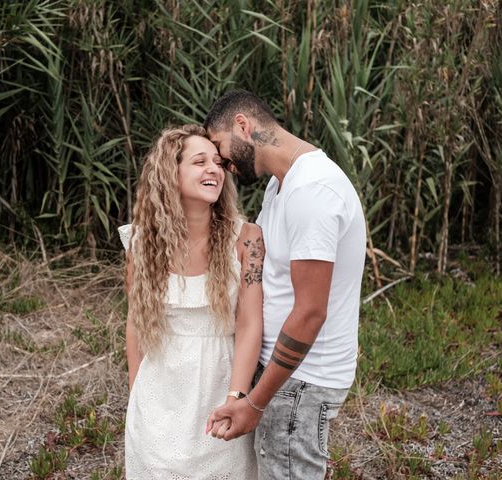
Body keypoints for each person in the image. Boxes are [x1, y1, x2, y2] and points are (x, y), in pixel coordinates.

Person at [204, 90, 366, 479]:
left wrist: (256, 403)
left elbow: (310, 311)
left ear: (243, 125)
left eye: (219, 146)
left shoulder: (312, 191)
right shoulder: (281, 186)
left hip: (302, 381)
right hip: (290, 378)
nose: (222, 163)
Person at [119, 124, 264, 478]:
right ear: (171, 173)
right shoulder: (142, 243)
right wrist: (137, 392)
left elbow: (249, 324)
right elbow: (136, 322)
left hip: (220, 381)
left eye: (217, 162)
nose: (213, 169)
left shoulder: (247, 239)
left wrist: (236, 397)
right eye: (199, 162)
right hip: (160, 389)